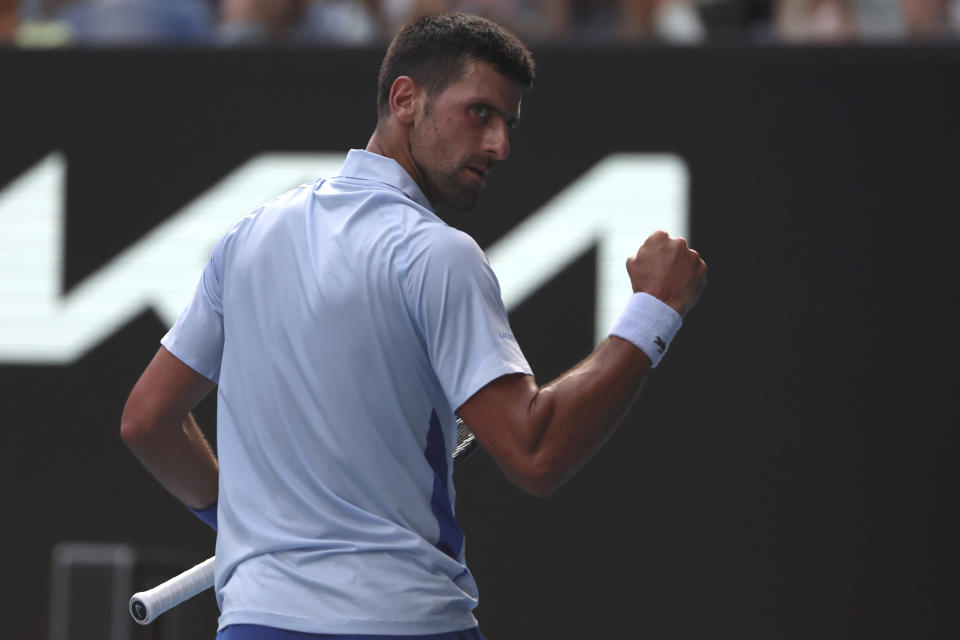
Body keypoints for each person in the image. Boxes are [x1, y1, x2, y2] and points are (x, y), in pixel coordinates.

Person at [120, 11, 707, 640]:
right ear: (405, 99)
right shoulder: (438, 255)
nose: (499, 145)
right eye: (479, 112)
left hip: (254, 625)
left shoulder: (249, 237)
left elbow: (148, 422)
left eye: (508, 123)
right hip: (402, 625)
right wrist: (655, 310)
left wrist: (239, 521)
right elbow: (536, 453)